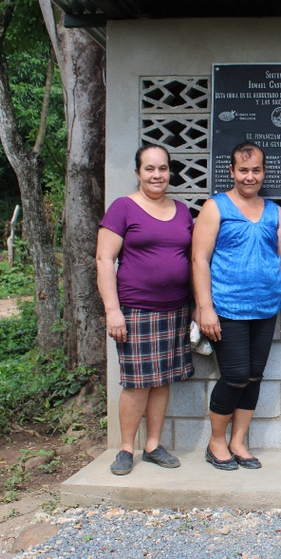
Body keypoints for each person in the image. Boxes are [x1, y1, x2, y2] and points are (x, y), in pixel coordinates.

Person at [192, 141, 281, 471]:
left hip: (265, 309)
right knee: (235, 376)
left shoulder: (275, 212)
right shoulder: (216, 207)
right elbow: (199, 259)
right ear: (232, 171)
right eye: (243, 170)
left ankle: (238, 443)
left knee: (253, 377)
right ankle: (216, 442)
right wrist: (205, 307)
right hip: (227, 308)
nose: (249, 177)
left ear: (263, 172)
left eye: (255, 170)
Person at [96, 144, 195, 476]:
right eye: (150, 168)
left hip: (175, 310)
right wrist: (112, 310)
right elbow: (104, 260)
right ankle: (126, 448)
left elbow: (192, 262)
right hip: (135, 310)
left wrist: (195, 306)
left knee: (162, 379)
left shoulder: (182, 211)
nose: (157, 175)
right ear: (138, 172)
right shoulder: (123, 208)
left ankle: (153, 445)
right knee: (137, 382)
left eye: (163, 168)